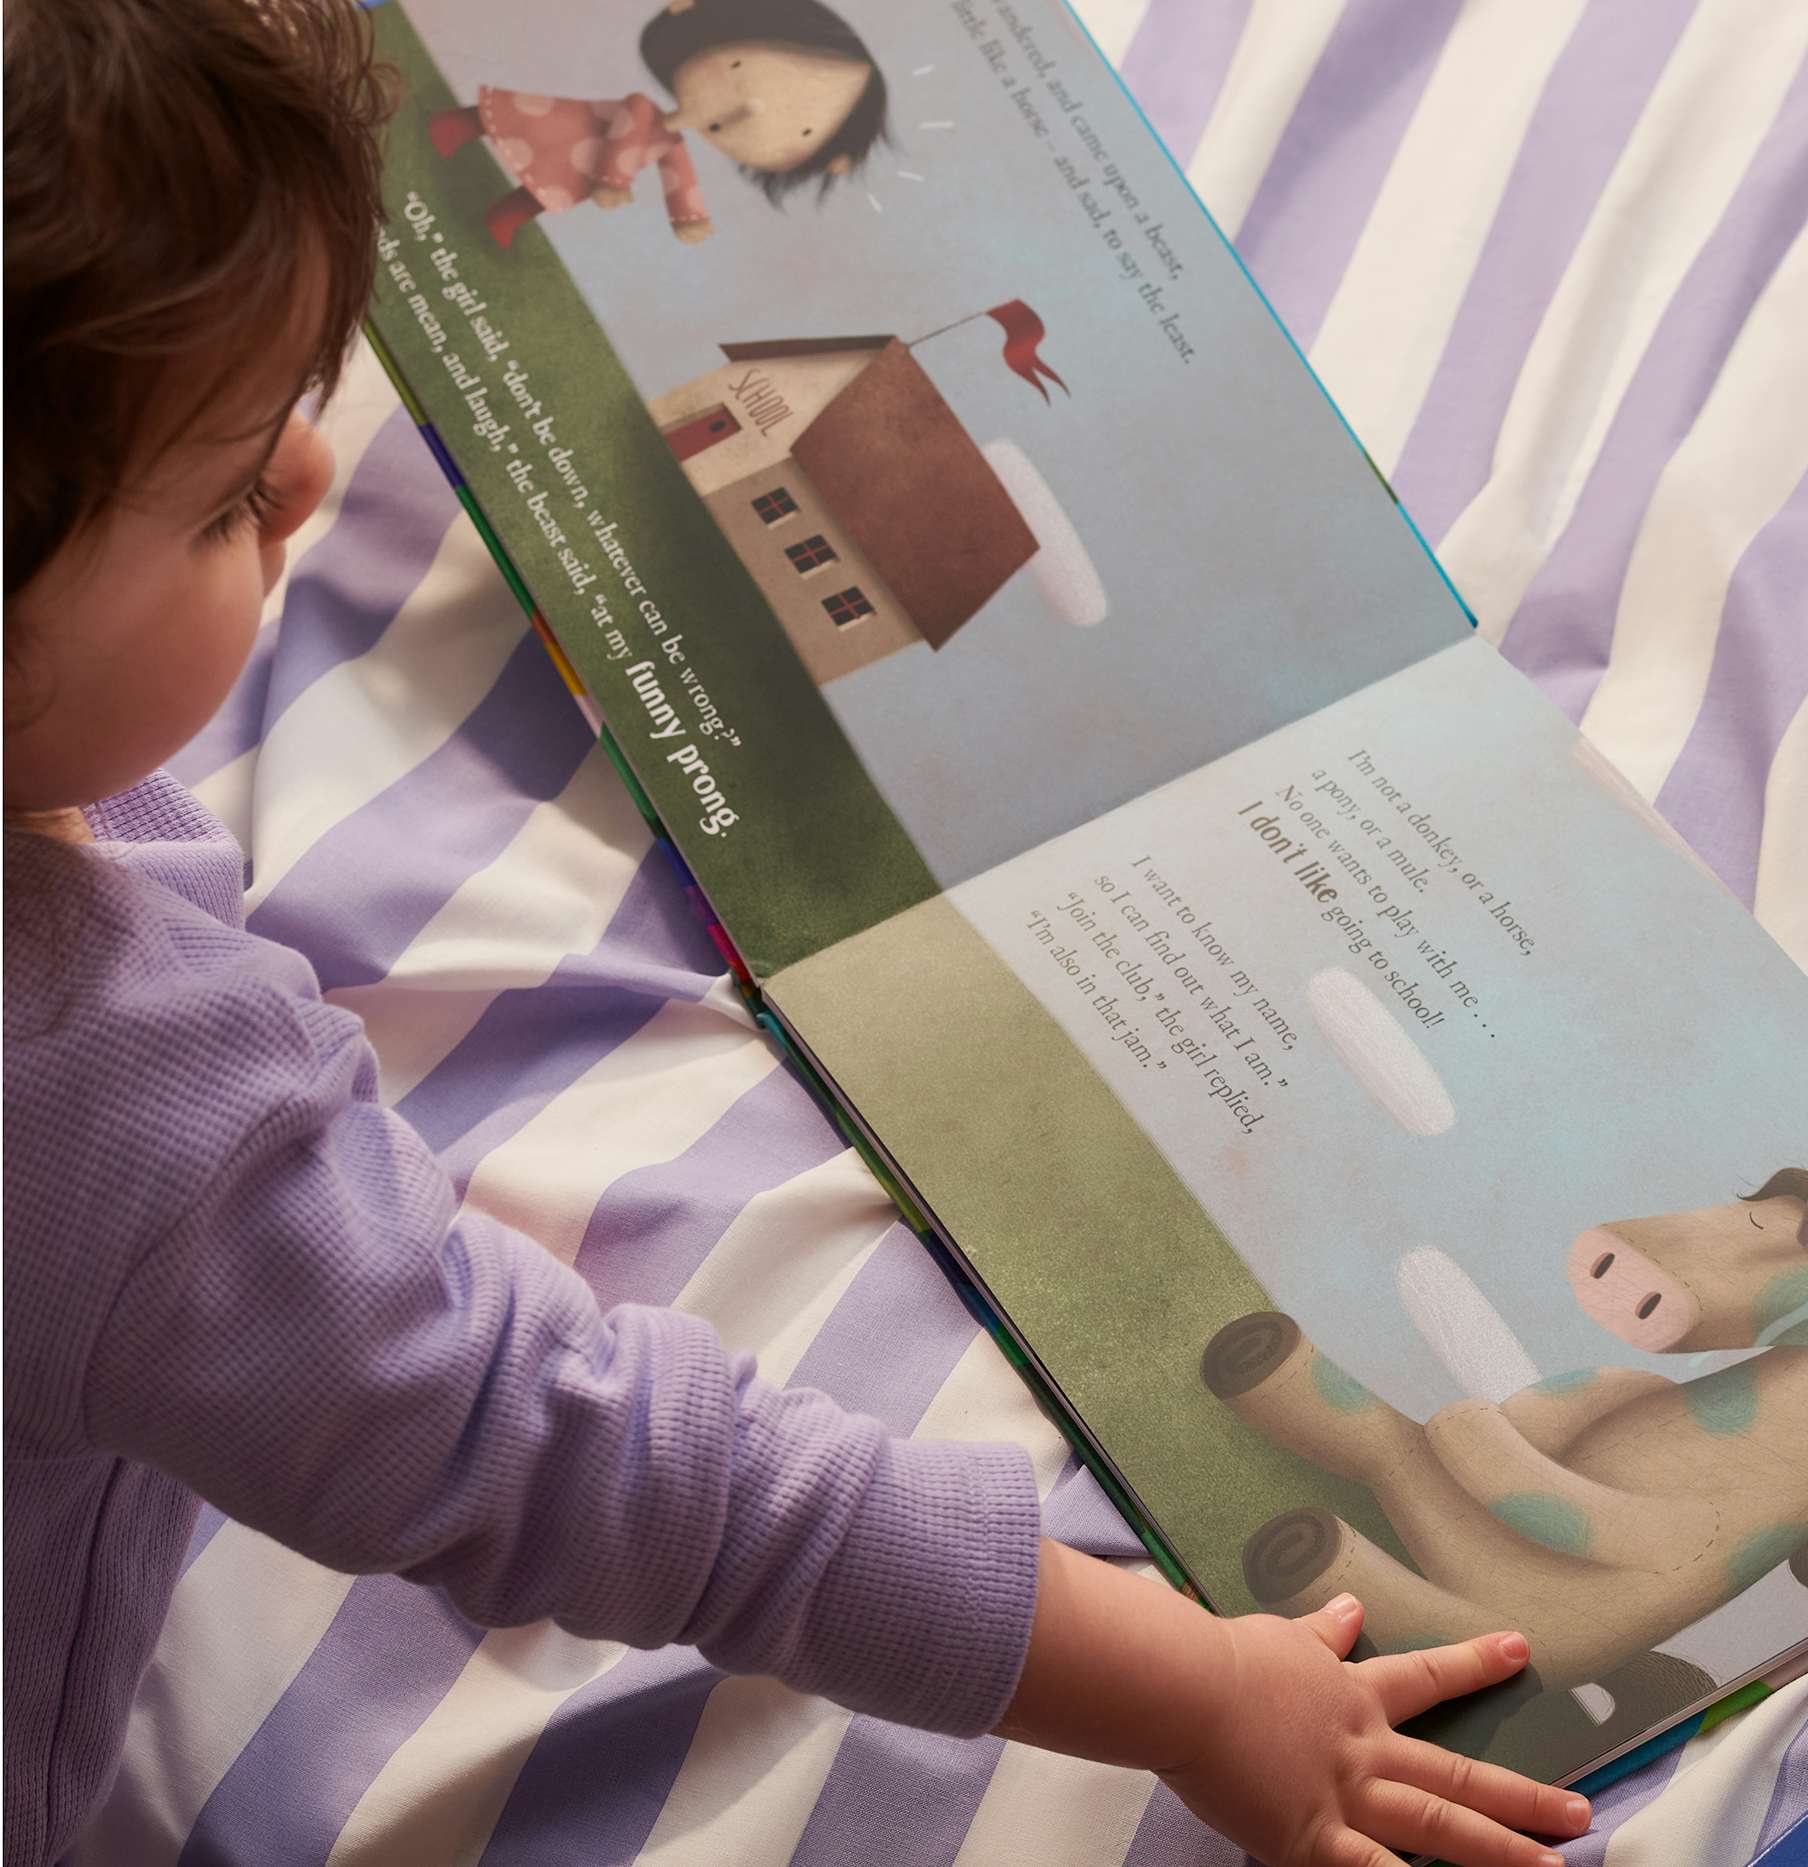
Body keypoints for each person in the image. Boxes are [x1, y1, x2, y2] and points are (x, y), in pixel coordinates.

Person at [1, 4, 1592, 1864]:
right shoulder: (111, 1095)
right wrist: (1181, 1683)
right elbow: (589, 1457)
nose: (306, 480)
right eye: (214, 494)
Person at [429, 0, 889, 248]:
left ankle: (504, 215)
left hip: (590, 161)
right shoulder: (644, 110)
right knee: (515, 121)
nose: (751, 106)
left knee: (559, 185)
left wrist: (689, 217)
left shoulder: (670, 139)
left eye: (803, 131)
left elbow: (678, 175)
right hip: (579, 129)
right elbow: (630, 131)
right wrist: (613, 178)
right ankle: (457, 126)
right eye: (736, 67)